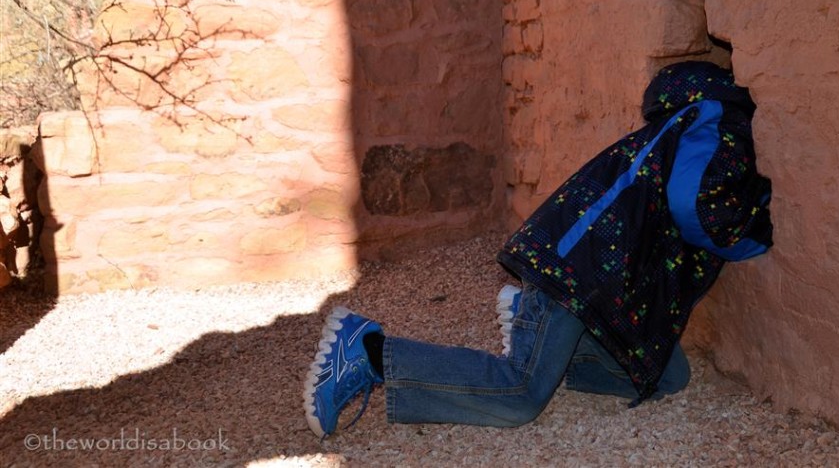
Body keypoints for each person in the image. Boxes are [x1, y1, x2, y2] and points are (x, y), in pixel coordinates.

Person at [303, 60, 773, 437]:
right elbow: (692, 206)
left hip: (606, 279)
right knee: (521, 396)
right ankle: (368, 351)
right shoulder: (720, 119)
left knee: (666, 378)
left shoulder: (681, 125)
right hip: (582, 270)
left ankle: (535, 332)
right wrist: (755, 234)